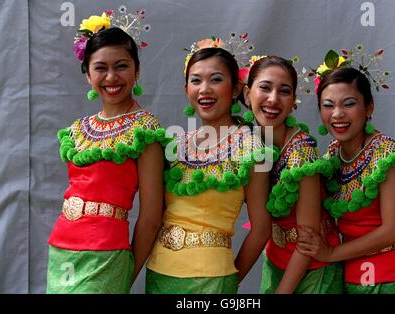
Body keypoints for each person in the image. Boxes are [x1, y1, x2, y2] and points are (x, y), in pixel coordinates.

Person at [47, 8, 166, 293]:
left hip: (106, 252)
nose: (111, 76)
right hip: (61, 248)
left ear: (137, 70)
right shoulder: (79, 128)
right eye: (100, 67)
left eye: (121, 66)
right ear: (88, 74)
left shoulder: (146, 129)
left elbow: (151, 217)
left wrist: (126, 273)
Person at [145, 37, 272, 294]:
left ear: (236, 89)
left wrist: (228, 282)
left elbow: (262, 228)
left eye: (216, 79)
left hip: (212, 279)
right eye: (196, 80)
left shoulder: (253, 149)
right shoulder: (174, 145)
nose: (204, 89)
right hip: (158, 272)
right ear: (186, 90)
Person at [296, 52, 395, 293]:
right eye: (328, 105)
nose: (337, 114)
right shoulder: (333, 154)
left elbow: (393, 229)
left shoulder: (386, 153)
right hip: (350, 277)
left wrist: (331, 253)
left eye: (349, 104)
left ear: (369, 107)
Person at [243, 56, 343, 293]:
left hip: (312, 270)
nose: (273, 99)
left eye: (284, 91)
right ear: (247, 94)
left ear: (293, 102)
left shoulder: (302, 152)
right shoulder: (252, 142)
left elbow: (308, 241)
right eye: (265, 88)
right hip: (276, 261)